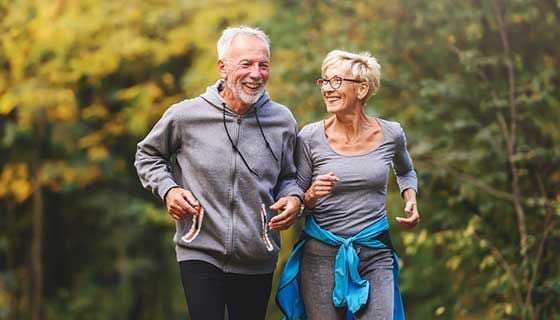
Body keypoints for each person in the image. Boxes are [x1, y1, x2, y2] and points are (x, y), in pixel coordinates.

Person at [134, 25, 303, 320]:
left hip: (257, 254)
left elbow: (290, 176)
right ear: (222, 68)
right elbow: (148, 155)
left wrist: (293, 199)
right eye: (246, 64)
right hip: (199, 248)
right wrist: (169, 189)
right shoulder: (186, 115)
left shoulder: (282, 120)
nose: (256, 73)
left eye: (263, 65)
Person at [276, 50, 420, 320]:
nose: (328, 90)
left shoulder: (391, 134)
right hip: (320, 256)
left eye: (337, 82)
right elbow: (297, 203)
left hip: (375, 252)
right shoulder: (309, 137)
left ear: (362, 89)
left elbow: (406, 171)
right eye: (325, 82)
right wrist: (310, 195)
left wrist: (410, 198)